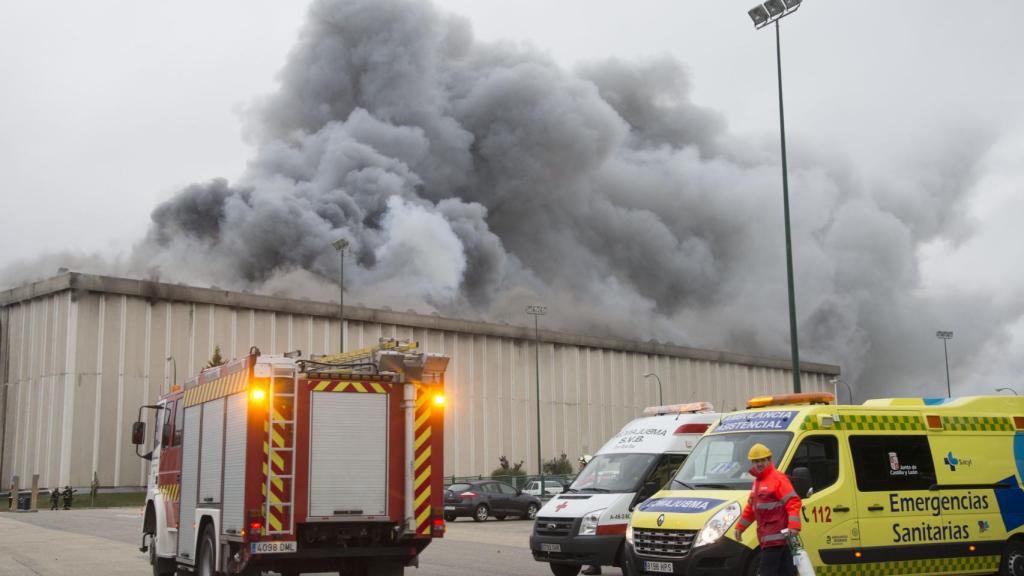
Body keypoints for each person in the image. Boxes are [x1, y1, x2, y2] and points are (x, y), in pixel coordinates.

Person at [733, 443, 801, 576]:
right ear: (752, 462)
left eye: (762, 460)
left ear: (769, 460)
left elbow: (793, 501)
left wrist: (794, 526)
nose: (759, 464)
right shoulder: (758, 481)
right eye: (756, 461)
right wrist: (740, 527)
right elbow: (752, 509)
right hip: (769, 540)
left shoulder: (778, 479)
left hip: (779, 540)